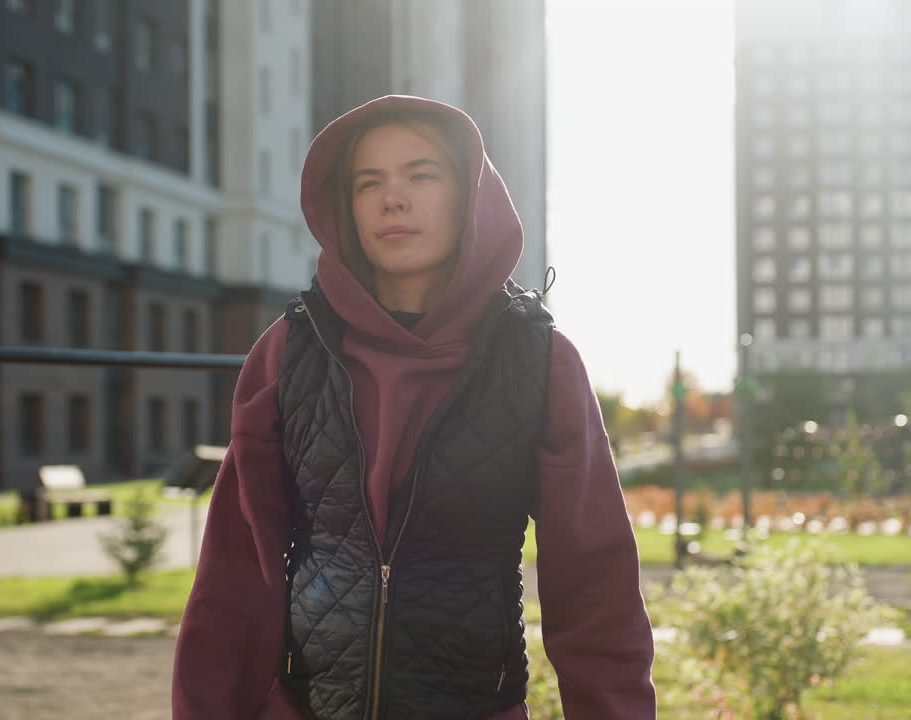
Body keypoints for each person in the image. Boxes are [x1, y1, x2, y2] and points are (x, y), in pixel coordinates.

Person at [172, 95, 654, 720]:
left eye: (420, 175)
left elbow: (595, 584)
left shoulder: (542, 363)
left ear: (469, 197)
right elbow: (234, 576)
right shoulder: (289, 352)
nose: (391, 199)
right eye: (367, 183)